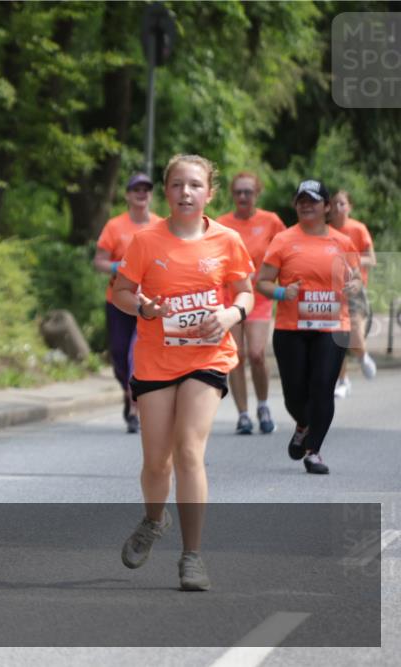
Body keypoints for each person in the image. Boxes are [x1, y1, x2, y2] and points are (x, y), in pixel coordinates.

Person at [112, 154, 254, 591]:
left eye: (194, 185)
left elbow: (246, 292)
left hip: (207, 357)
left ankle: (192, 556)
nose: (185, 192)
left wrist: (231, 314)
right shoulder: (145, 241)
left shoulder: (227, 240)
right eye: (177, 185)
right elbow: (119, 290)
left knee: (189, 448)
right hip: (156, 360)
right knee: (157, 462)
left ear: (209, 193)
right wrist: (142, 306)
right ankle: (154, 520)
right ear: (166, 191)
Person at [256, 180, 362, 475]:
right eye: (301, 199)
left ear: (327, 207)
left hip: (332, 325)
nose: (306, 204)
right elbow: (262, 282)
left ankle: (313, 451)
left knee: (322, 388)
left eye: (313, 200)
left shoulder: (342, 242)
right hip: (291, 326)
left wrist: (353, 286)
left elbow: (356, 279)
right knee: (294, 395)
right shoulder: (283, 240)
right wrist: (281, 292)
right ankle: (303, 425)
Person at [94, 173, 165, 433]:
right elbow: (98, 260)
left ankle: (135, 406)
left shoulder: (160, 226)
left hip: (148, 301)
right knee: (120, 356)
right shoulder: (115, 226)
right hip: (118, 300)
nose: (141, 193)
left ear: (151, 195)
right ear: (127, 194)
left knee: (138, 353)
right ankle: (128, 391)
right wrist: (119, 266)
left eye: (146, 189)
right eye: (136, 189)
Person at [216, 173, 286, 435]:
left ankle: (264, 405)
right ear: (232, 195)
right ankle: (243, 414)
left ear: (257, 193)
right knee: (236, 356)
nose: (243, 197)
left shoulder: (271, 222)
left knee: (256, 354)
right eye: (238, 192)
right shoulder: (221, 224)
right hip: (228, 296)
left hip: (258, 297)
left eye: (248, 192)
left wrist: (284, 286)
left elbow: (285, 252)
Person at [329, 190, 377, 397]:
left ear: (349, 207)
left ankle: (363, 356)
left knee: (355, 334)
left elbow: (371, 259)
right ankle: (343, 380)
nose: (339, 208)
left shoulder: (358, 229)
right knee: (336, 337)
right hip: (331, 291)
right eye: (335, 204)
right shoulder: (325, 230)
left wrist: (350, 261)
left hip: (355, 289)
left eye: (342, 204)